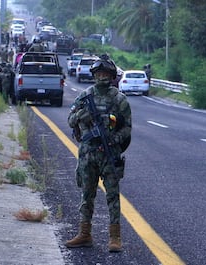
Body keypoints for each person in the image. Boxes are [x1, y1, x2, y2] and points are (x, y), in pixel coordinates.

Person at [66, 55, 132, 252]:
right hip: (88, 153)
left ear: (111, 76)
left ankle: (115, 237)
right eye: (99, 73)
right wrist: (81, 115)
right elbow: (70, 121)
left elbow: (127, 128)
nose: (102, 77)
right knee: (87, 195)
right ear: (94, 75)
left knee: (113, 196)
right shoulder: (85, 96)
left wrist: (114, 139)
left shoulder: (119, 99)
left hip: (109, 153)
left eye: (106, 73)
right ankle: (84, 234)